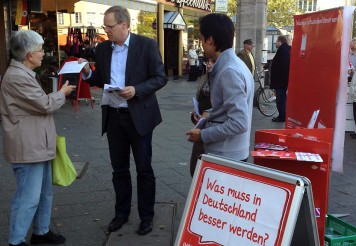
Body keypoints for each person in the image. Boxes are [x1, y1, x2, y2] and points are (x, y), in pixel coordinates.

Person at [78, 6, 167, 235]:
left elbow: (160, 77)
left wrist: (137, 89)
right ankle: (121, 213)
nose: (106, 30)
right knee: (119, 170)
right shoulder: (103, 48)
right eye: (105, 26)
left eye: (110, 26)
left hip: (139, 116)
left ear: (124, 25)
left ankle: (146, 216)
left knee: (144, 169)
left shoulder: (146, 45)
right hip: (114, 117)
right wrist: (88, 72)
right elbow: (100, 77)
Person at [0, 30, 75, 246]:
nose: (44, 54)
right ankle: (16, 240)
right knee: (28, 197)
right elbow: (44, 105)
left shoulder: (22, 74)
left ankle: (40, 232)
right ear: (29, 54)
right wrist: (62, 93)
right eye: (40, 50)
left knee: (43, 193)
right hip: (27, 147)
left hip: (36, 144)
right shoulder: (17, 77)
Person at [186, 13, 254, 162]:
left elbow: (238, 123)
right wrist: (208, 113)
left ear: (210, 40)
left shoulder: (229, 71)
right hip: (232, 152)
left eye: (202, 40)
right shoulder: (236, 65)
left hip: (226, 155)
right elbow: (228, 108)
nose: (202, 45)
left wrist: (203, 135)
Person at [190, 58, 213, 177]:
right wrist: (195, 112)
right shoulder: (204, 79)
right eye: (207, 62)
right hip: (200, 124)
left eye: (212, 62)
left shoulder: (221, 80)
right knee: (195, 167)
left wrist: (207, 114)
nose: (209, 64)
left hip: (212, 127)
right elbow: (198, 99)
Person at [270, 35, 291, 122]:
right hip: (282, 81)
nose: (275, 42)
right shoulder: (286, 50)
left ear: (280, 42)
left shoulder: (283, 51)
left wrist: (279, 81)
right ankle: (282, 115)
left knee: (280, 99)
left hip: (281, 82)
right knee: (282, 99)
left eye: (277, 41)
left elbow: (282, 67)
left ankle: (282, 116)